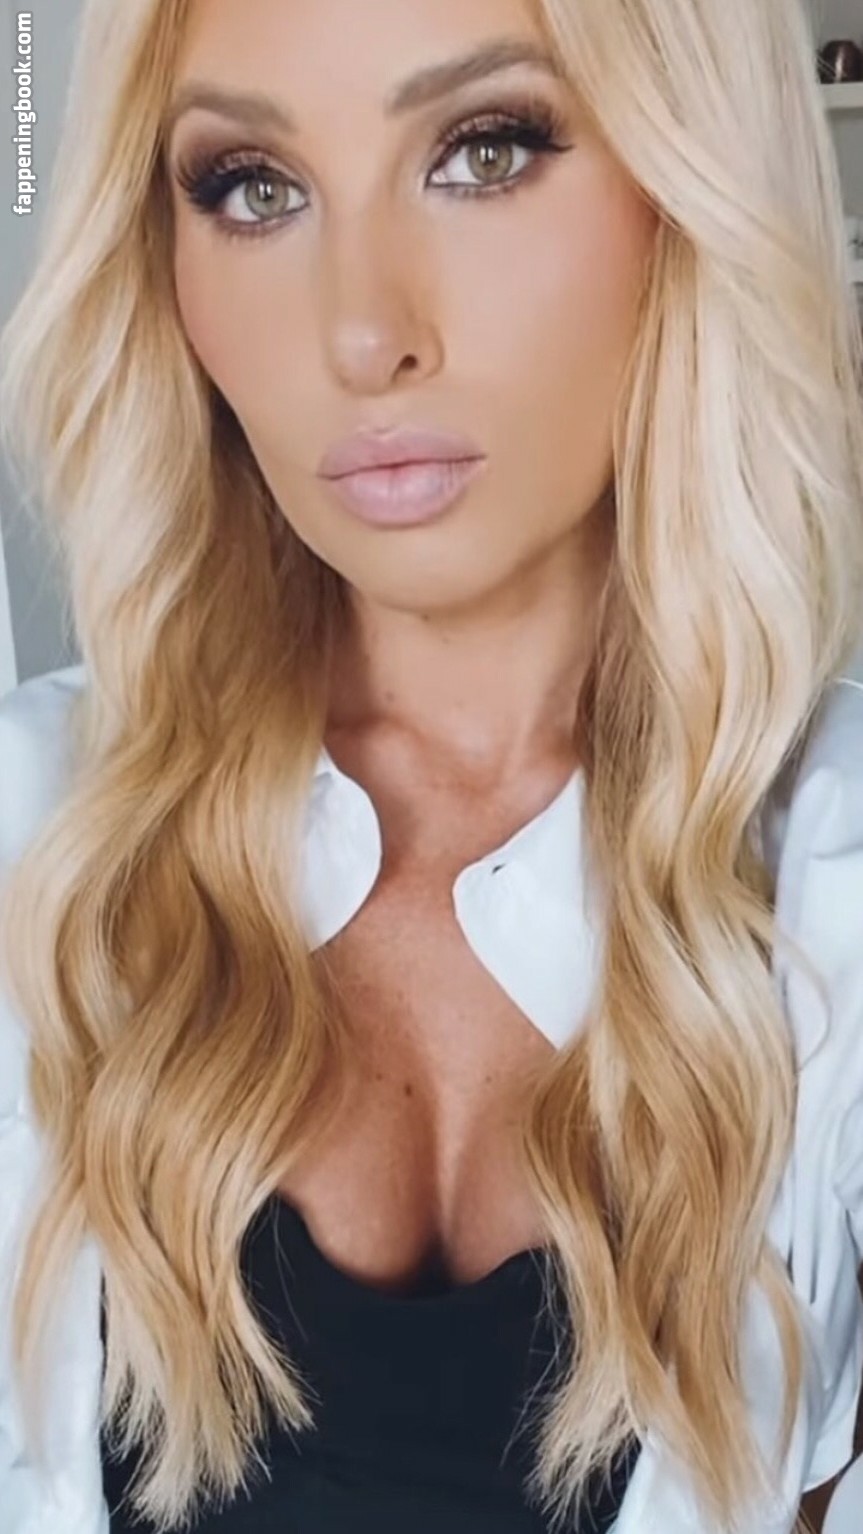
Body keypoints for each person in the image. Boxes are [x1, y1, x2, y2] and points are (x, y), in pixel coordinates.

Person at [0, 0, 861, 1530]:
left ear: (691, 187)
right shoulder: (35, 834)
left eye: (485, 151)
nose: (361, 332)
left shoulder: (834, 878)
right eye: (253, 186)